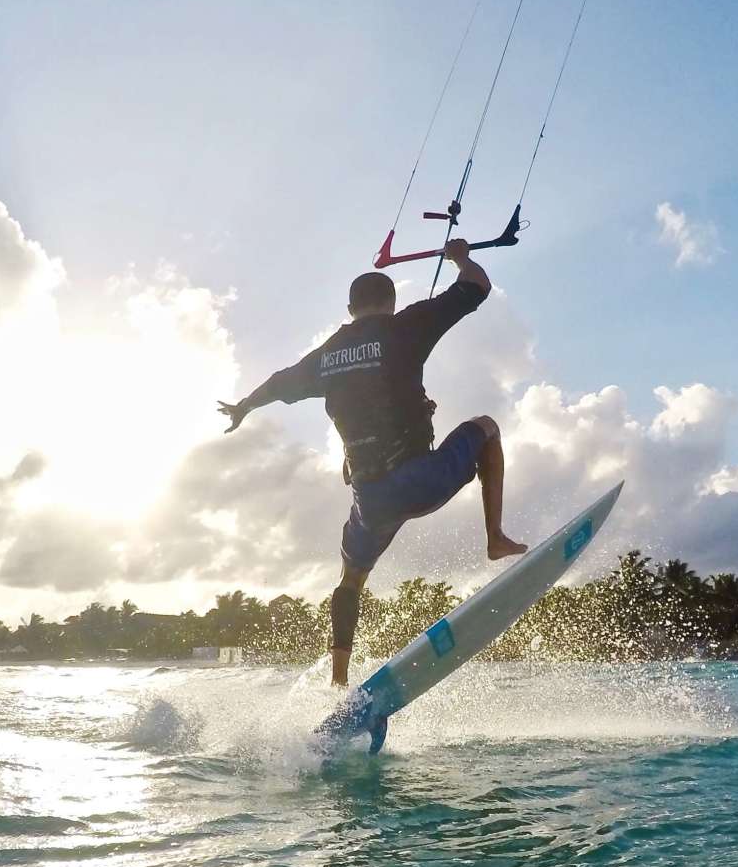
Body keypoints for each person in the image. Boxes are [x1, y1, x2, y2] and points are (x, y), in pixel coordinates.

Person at [218, 239, 527, 687]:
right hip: (420, 480)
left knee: (350, 580)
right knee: (487, 428)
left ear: (349, 309)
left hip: (370, 501)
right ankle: (495, 537)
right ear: (391, 302)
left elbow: (278, 382)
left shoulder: (326, 356)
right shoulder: (405, 326)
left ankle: (338, 680)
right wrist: (460, 256)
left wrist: (243, 407)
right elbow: (476, 285)